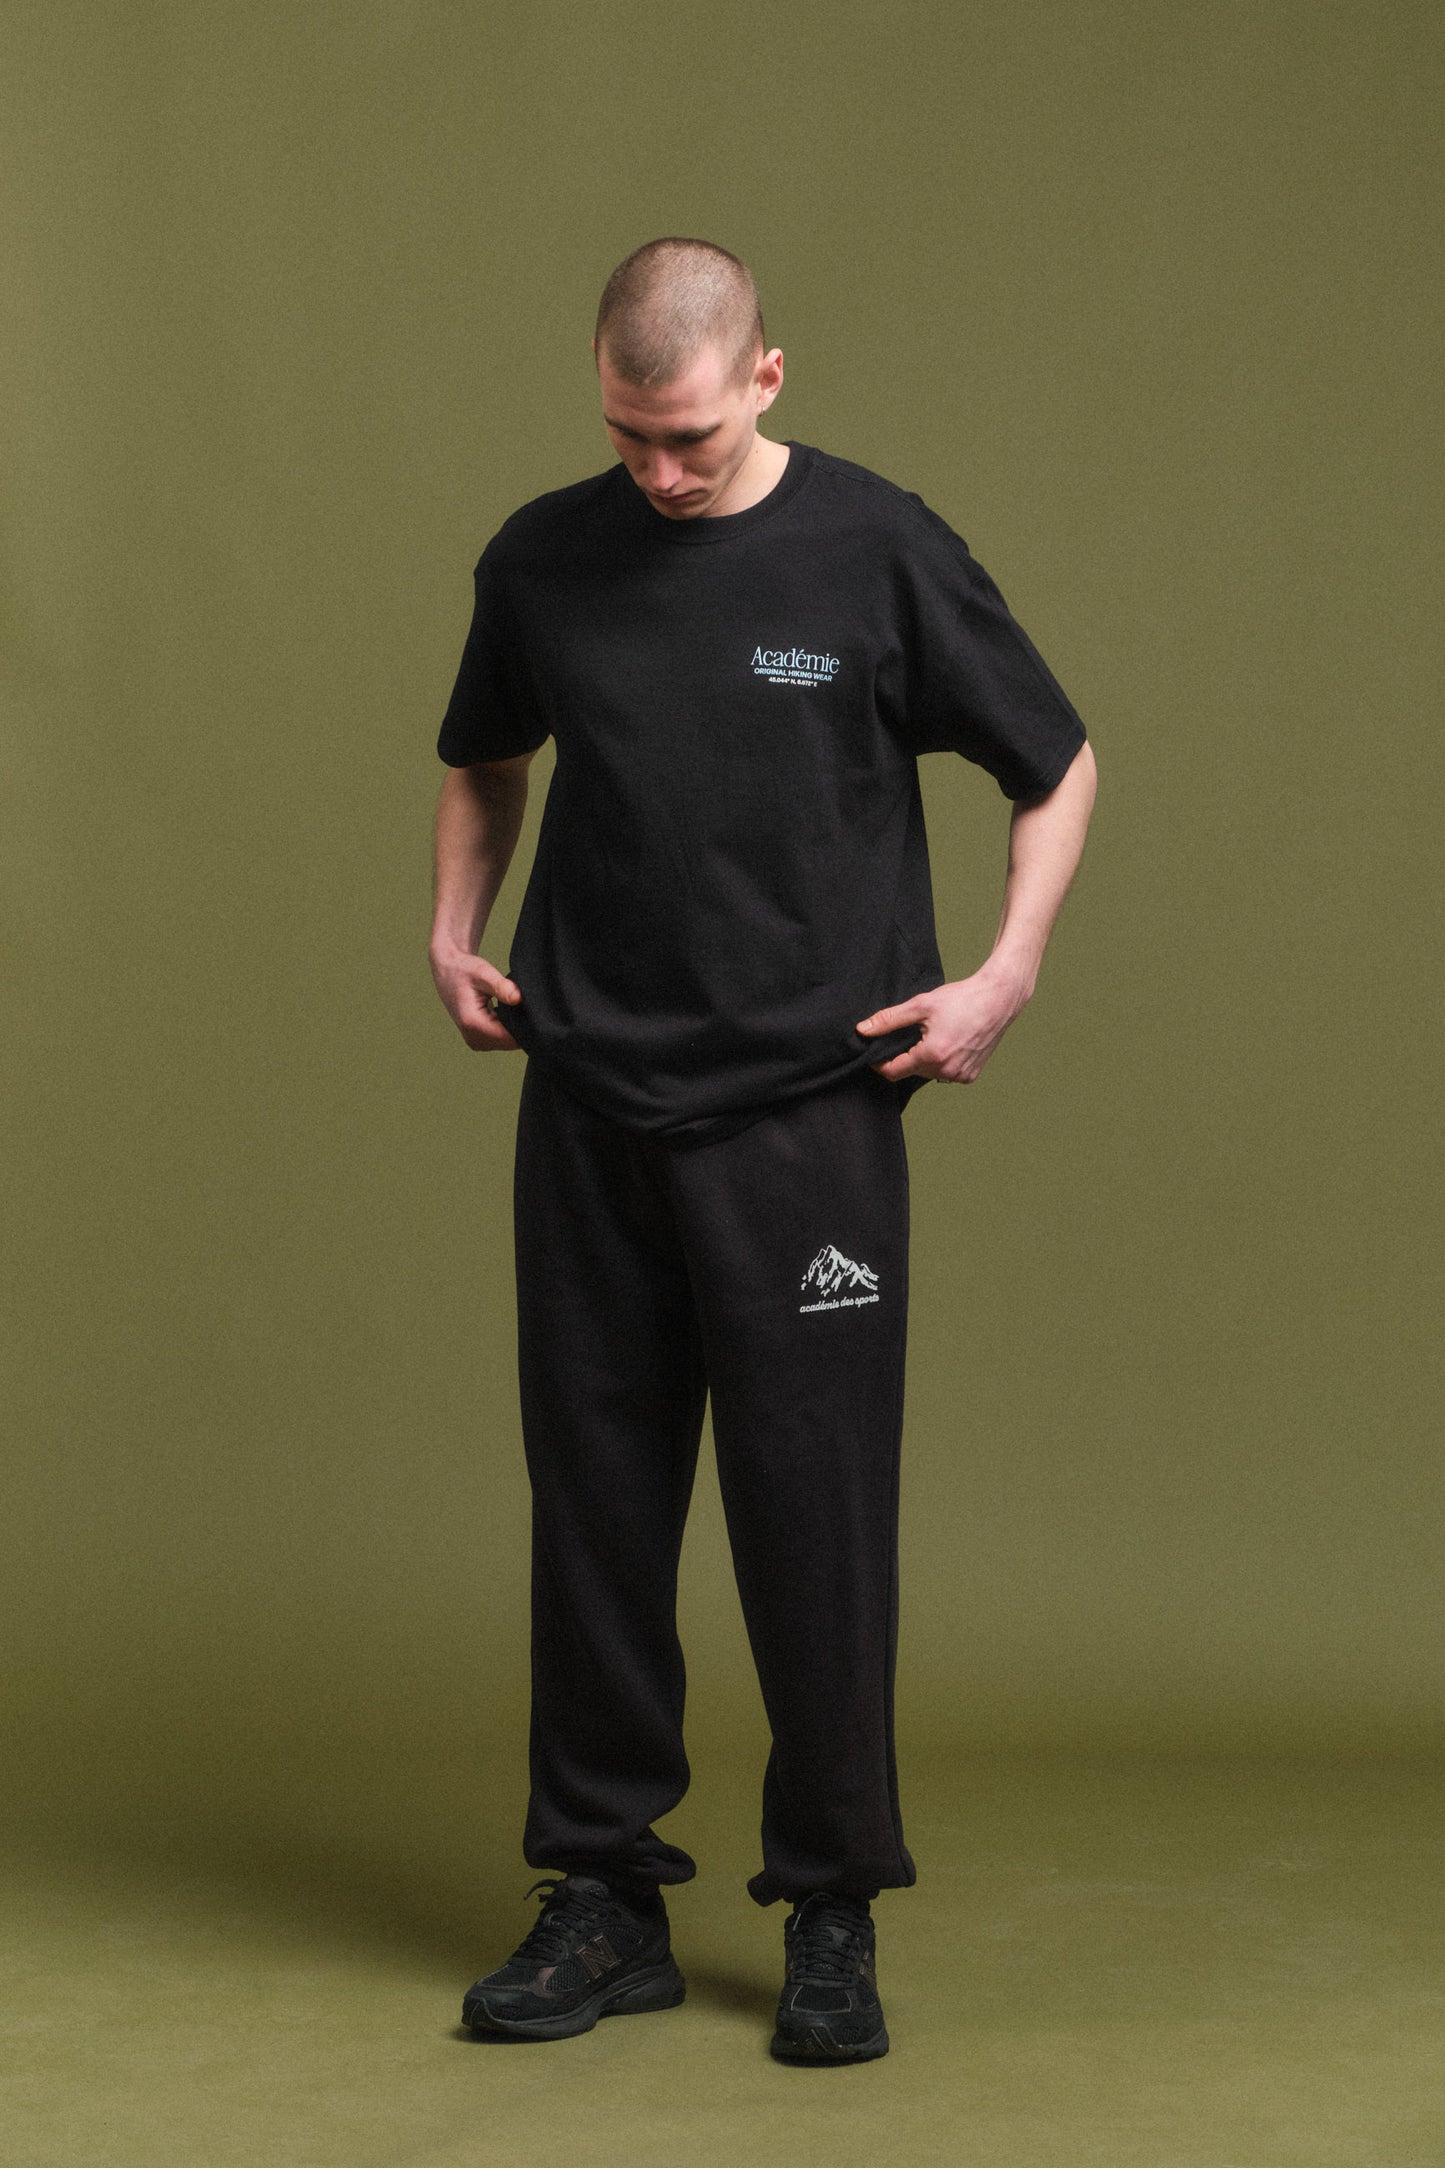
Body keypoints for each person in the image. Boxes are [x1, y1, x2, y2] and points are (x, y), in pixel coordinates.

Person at [429, 237, 1097, 2064]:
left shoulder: (876, 548)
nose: (661, 471)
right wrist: (449, 927)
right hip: (590, 1099)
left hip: (806, 1111)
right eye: (630, 436)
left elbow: (1054, 761)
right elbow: (485, 755)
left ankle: (828, 1906)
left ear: (767, 379)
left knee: (812, 1514)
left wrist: (1004, 972)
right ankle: (601, 1897)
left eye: (693, 437)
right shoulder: (542, 557)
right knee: (595, 1505)